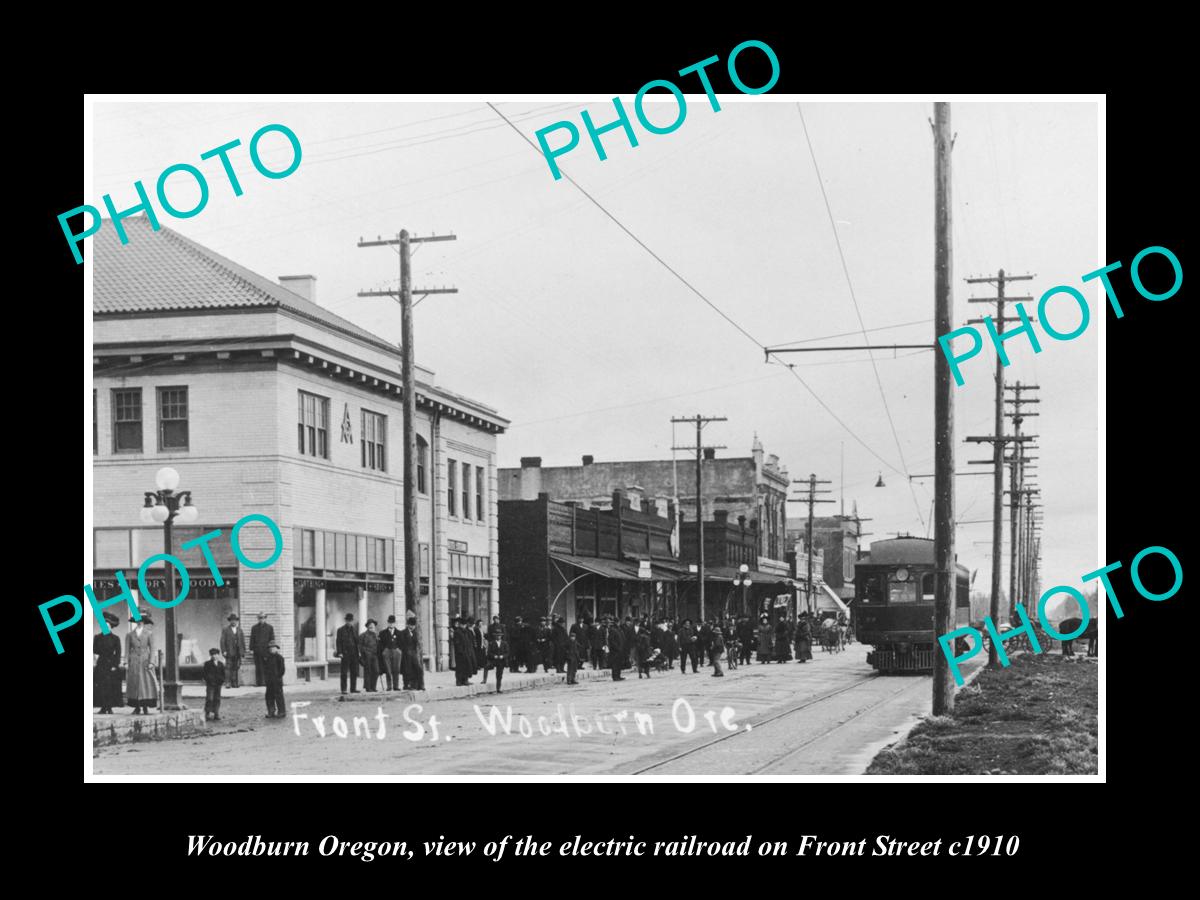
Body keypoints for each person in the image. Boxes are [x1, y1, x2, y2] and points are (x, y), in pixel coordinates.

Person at [125, 610, 157, 715]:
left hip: (145, 661)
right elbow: (127, 649)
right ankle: (136, 707)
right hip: (134, 661)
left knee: (145, 684)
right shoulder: (130, 635)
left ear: (144, 622)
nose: (140, 622)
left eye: (141, 620)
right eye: (138, 620)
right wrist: (126, 662)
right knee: (134, 684)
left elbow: (152, 649)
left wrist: (151, 662)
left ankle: (145, 707)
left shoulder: (149, 634)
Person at [93, 612, 122, 715]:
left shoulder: (115, 638)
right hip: (101, 663)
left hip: (111, 664)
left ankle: (109, 707)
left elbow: (118, 653)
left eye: (108, 625)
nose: (105, 626)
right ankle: (102, 707)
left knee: (110, 686)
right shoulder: (97, 637)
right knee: (100, 686)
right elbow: (95, 651)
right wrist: (96, 662)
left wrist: (115, 665)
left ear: (111, 627)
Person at [335, 612, 360, 694]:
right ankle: (344, 689)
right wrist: (340, 652)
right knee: (344, 673)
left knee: (354, 672)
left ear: (352, 621)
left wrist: (358, 652)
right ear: (345, 621)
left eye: (350, 620)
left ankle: (353, 688)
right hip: (345, 654)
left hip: (354, 654)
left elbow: (357, 642)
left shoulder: (354, 630)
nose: (349, 622)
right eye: (348, 620)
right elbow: (338, 642)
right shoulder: (340, 630)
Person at [400, 613, 425, 690]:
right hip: (405, 654)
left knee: (419, 669)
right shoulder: (403, 633)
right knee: (407, 670)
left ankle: (419, 685)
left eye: (413, 625)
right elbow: (402, 644)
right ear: (408, 625)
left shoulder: (415, 633)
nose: (412, 627)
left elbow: (416, 644)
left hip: (413, 654)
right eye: (411, 625)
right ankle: (407, 685)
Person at [220, 613, 245, 687]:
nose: (233, 622)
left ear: (237, 621)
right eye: (232, 620)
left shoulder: (240, 630)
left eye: (235, 620)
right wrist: (224, 651)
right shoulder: (225, 630)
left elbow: (242, 642)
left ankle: (234, 683)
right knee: (228, 667)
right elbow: (222, 641)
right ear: (230, 621)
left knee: (236, 667)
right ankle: (227, 683)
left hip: (237, 652)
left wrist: (243, 652)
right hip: (229, 652)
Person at [378, 615, 403, 690]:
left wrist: (399, 649)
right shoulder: (382, 633)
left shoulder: (399, 633)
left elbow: (402, 643)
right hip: (387, 652)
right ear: (387, 623)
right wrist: (384, 650)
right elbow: (380, 644)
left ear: (395, 623)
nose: (391, 624)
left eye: (393, 622)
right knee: (388, 669)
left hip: (396, 652)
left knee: (396, 669)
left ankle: (396, 686)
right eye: (390, 622)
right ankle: (389, 686)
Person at [250, 612, 274, 686]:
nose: (262, 619)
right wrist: (251, 649)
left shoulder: (270, 627)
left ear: (265, 618)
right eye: (260, 618)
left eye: (263, 618)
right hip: (257, 651)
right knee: (258, 667)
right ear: (258, 619)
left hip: (266, 651)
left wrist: (271, 648)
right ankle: (259, 682)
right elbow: (252, 639)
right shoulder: (254, 628)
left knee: (266, 667)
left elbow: (272, 639)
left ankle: (266, 682)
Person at [263, 640, 287, 718]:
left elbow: (282, 670)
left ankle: (282, 711)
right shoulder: (267, 658)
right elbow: (265, 669)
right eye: (270, 648)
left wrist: (278, 677)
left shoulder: (280, 658)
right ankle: (271, 711)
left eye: (273, 648)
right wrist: (266, 678)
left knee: (279, 696)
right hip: (269, 681)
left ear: (276, 648)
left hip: (277, 681)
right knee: (269, 696)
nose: (271, 649)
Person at [202, 648, 225, 721]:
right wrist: (209, 680)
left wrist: (221, 681)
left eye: (216, 654)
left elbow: (223, 674)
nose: (214, 656)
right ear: (211, 656)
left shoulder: (221, 664)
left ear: (218, 655)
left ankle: (216, 713)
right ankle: (207, 713)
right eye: (213, 655)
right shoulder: (207, 664)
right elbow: (204, 674)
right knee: (210, 698)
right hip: (210, 684)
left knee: (217, 699)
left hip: (218, 684)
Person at [453, 618, 476, 686]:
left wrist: (469, 651)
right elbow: (457, 643)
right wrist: (461, 651)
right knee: (460, 667)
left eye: (464, 625)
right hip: (460, 653)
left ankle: (465, 680)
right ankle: (459, 681)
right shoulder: (457, 632)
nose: (463, 626)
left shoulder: (467, 632)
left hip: (467, 652)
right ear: (460, 625)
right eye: (462, 625)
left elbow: (470, 641)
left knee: (467, 666)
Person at [360, 619, 380, 691]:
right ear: (367, 626)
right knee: (368, 671)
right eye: (370, 625)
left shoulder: (376, 635)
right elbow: (360, 647)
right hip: (367, 656)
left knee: (376, 671)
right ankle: (368, 688)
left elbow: (378, 646)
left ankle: (373, 686)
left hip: (374, 656)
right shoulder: (363, 635)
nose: (372, 626)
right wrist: (365, 653)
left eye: (373, 625)